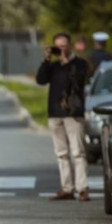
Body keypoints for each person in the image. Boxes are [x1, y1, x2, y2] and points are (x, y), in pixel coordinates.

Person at [36, 32, 91, 202]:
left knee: (78, 152)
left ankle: (82, 189)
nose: (61, 49)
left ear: (70, 46)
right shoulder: (53, 66)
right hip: (55, 114)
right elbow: (41, 80)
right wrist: (46, 60)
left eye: (64, 45)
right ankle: (67, 188)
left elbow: (80, 81)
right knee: (61, 153)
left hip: (73, 114)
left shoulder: (79, 64)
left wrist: (67, 62)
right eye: (58, 46)